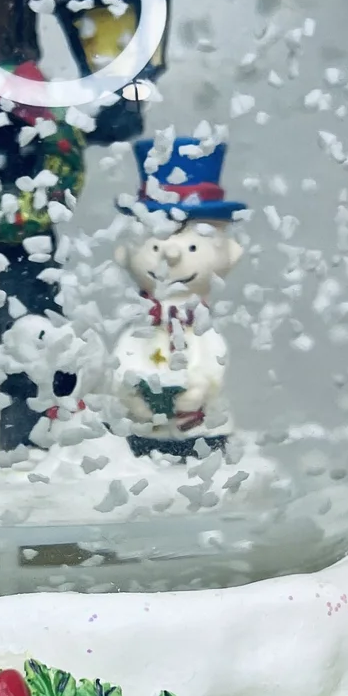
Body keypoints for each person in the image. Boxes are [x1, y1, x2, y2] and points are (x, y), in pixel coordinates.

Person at [112, 138, 246, 458]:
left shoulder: (200, 325)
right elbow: (123, 360)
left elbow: (215, 358)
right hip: (144, 431)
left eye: (193, 247)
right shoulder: (143, 324)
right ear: (124, 253)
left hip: (202, 430)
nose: (171, 255)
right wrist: (131, 393)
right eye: (155, 246)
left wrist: (202, 387)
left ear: (230, 254)